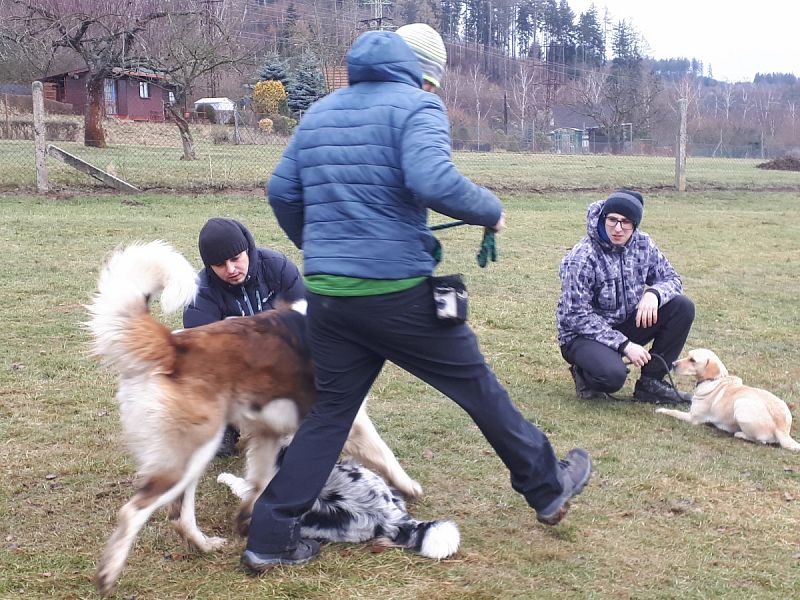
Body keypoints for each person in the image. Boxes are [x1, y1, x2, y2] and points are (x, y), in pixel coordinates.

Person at [240, 24, 592, 572]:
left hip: (330, 298)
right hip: (397, 293)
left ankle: (270, 536)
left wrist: (318, 245)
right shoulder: (419, 107)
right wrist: (487, 208)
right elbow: (431, 178)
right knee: (476, 386)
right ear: (417, 68)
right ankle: (547, 486)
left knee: (330, 414)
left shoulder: (321, 111)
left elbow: (282, 190)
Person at [556, 190, 695, 404]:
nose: (618, 228)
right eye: (612, 220)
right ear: (603, 218)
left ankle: (651, 383)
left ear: (635, 225)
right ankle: (585, 373)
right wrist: (624, 345)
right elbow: (575, 315)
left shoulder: (643, 244)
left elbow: (672, 278)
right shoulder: (583, 257)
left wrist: (654, 294)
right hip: (581, 336)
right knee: (612, 376)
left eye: (626, 222)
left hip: (625, 323)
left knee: (682, 307)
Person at [183, 217, 304, 455]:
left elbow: (305, 319)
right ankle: (225, 427)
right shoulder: (200, 294)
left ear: (248, 250)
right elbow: (203, 353)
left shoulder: (278, 267)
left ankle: (300, 418)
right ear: (209, 267)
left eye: (235, 258)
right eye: (219, 264)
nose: (230, 269)